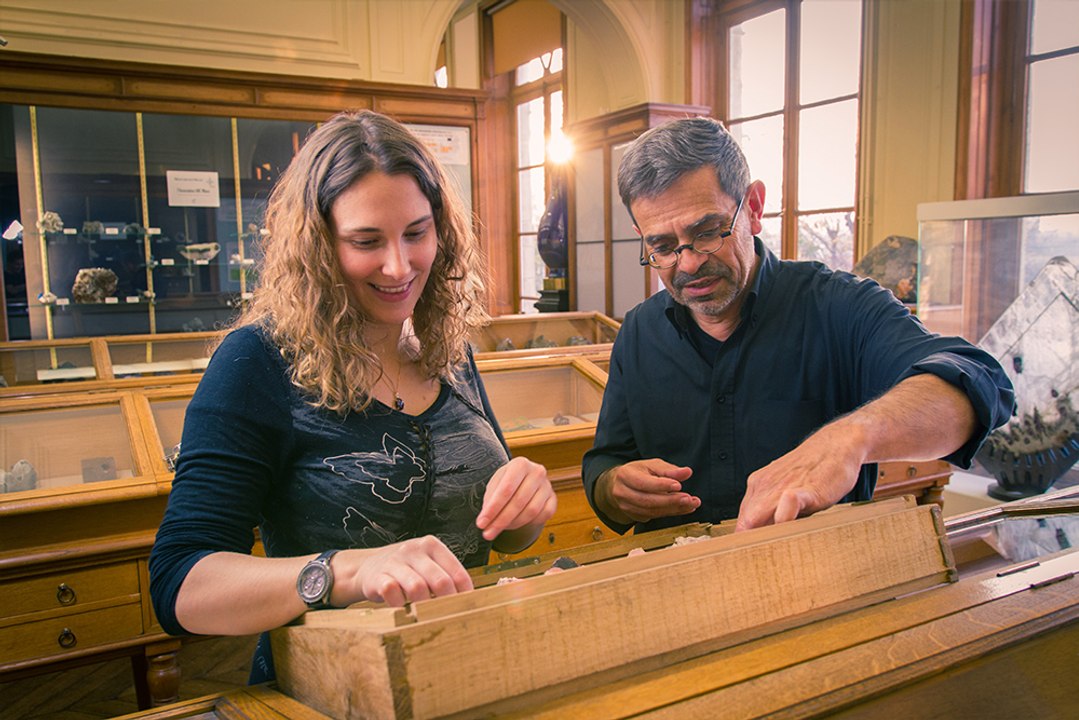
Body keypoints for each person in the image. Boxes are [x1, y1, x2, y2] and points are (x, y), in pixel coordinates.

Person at [150, 110, 556, 682]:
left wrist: (525, 511)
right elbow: (179, 584)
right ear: (316, 246)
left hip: (468, 666)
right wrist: (342, 572)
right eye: (366, 241)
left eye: (417, 233)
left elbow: (498, 532)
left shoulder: (445, 348)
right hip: (329, 685)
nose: (400, 266)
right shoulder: (257, 362)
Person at [582, 117, 1014, 536]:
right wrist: (611, 488)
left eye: (709, 231)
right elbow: (606, 461)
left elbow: (981, 383)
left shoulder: (840, 308)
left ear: (752, 207)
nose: (689, 262)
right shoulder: (639, 331)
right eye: (662, 246)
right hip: (677, 585)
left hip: (816, 585)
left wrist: (852, 436)